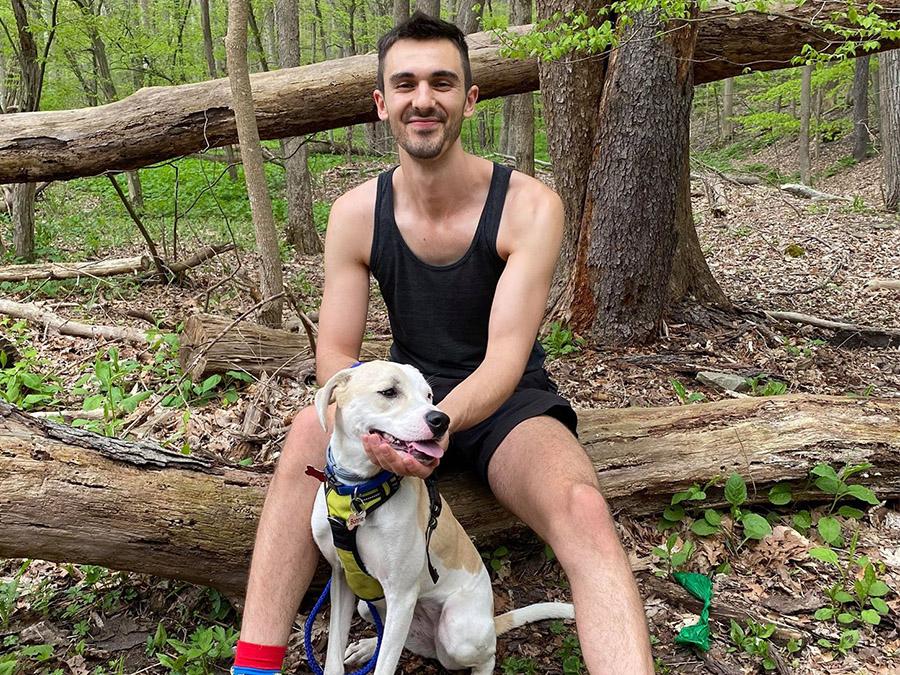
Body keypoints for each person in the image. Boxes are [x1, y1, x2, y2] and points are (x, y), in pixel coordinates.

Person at [231, 12, 654, 675]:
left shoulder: (530, 207)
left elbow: (505, 359)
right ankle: (252, 665)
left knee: (583, 507)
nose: (422, 99)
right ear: (381, 104)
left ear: (470, 99)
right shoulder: (353, 215)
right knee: (302, 438)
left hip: (503, 409)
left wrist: (427, 433)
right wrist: (382, 428)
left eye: (441, 82)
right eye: (404, 83)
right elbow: (337, 359)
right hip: (406, 401)